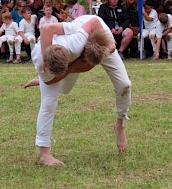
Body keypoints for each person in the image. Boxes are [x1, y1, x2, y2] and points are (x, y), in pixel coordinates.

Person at [28, 15, 131, 165]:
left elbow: (94, 22)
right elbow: (54, 79)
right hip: (64, 61)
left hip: (98, 34)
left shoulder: (74, 44)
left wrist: (109, 47)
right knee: (53, 99)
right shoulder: (40, 61)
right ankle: (44, 154)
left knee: (124, 84)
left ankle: (120, 123)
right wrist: (74, 68)